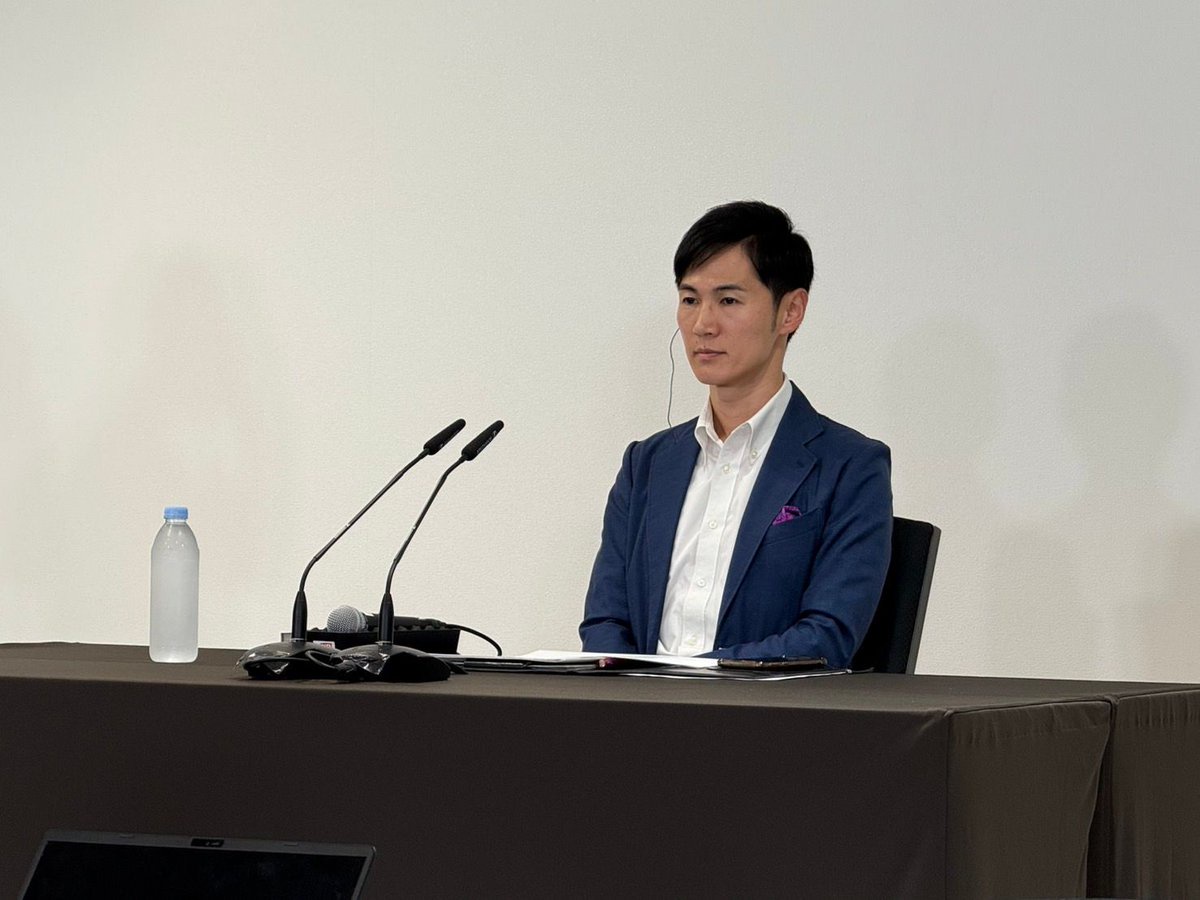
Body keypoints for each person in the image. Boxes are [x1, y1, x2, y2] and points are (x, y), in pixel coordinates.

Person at [579, 201, 892, 664]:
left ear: (790, 311)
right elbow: (605, 621)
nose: (703, 325)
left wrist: (690, 678)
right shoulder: (646, 464)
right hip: (638, 704)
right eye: (690, 300)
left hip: (760, 707)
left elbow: (826, 637)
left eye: (728, 301)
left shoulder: (849, 465)